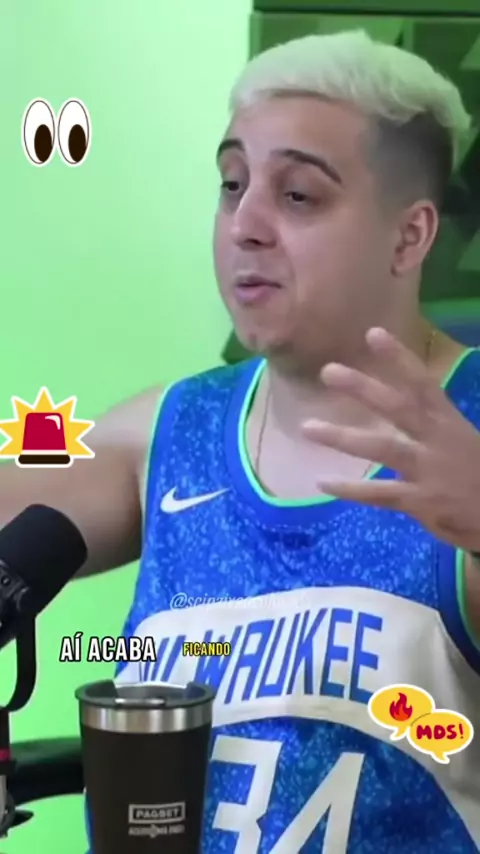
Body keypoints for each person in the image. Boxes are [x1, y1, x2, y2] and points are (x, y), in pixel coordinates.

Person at [3, 27, 480, 852]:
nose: (245, 225)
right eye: (232, 184)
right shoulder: (166, 432)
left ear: (409, 236)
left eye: (298, 195)